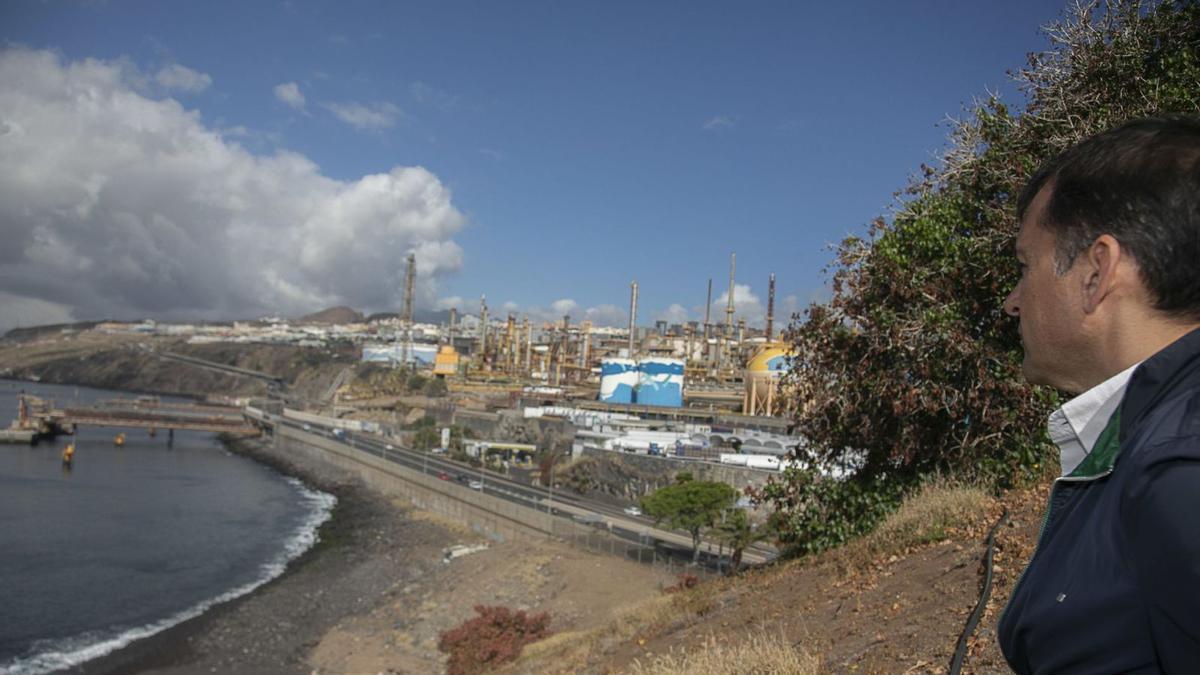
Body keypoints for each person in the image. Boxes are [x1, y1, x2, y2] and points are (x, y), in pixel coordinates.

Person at [998, 115, 1200, 673]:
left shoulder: (1179, 467)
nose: (1013, 301)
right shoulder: (1151, 433)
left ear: (1096, 272)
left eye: (1025, 266)